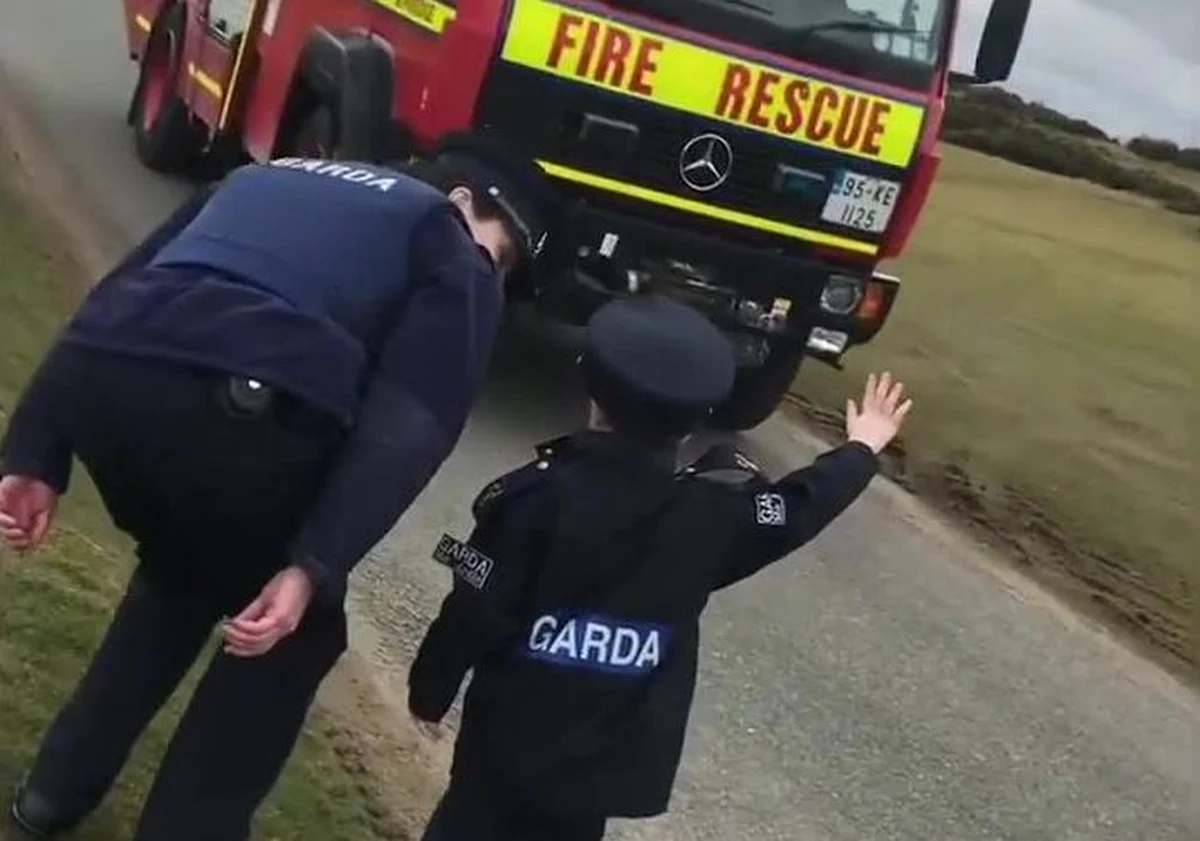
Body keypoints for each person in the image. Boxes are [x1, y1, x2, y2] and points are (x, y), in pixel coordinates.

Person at [0, 132, 558, 841]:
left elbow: (116, 295)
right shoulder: (443, 236)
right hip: (237, 410)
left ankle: (47, 798)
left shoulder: (267, 178)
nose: (493, 275)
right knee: (295, 635)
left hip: (110, 378)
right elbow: (411, 424)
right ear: (461, 200)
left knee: (180, 576)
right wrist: (314, 564)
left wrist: (34, 451)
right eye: (502, 253)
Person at [406, 295, 913, 841]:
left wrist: (429, 692)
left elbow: (473, 613)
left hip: (500, 760)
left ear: (594, 395)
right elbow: (797, 507)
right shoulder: (712, 515)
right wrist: (860, 450)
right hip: (596, 776)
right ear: (694, 423)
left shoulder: (534, 499)